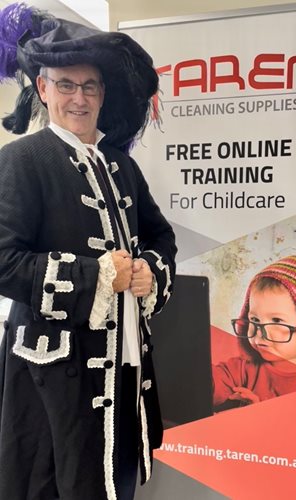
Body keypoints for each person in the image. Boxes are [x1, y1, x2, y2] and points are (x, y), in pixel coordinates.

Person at [0, 3, 177, 500]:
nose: (79, 98)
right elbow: (3, 261)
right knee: (55, 484)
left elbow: (161, 239)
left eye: (90, 86)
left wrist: (149, 272)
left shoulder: (120, 166)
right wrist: (95, 277)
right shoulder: (20, 161)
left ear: (103, 93)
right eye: (66, 85)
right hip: (52, 377)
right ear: (42, 89)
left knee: (115, 483)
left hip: (123, 367)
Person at [212, 248, 296, 411]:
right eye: (254, 319)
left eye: (277, 320)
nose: (259, 332)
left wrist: (260, 415)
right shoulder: (243, 368)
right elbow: (203, 384)